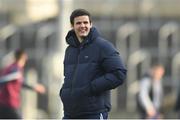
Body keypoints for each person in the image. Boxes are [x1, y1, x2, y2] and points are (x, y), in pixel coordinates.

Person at [59, 9, 127, 119]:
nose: (82, 26)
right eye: (78, 23)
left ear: (91, 24)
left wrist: (91, 88)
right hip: (69, 114)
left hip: (93, 114)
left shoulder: (103, 46)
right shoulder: (70, 50)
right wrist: (64, 92)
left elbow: (119, 74)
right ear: (72, 26)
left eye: (85, 22)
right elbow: (68, 77)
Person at [0, 49, 46, 119]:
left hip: (4, 104)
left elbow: (19, 82)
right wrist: (34, 87)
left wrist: (34, 87)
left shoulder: (10, 68)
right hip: (9, 104)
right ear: (23, 58)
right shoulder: (15, 69)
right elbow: (7, 79)